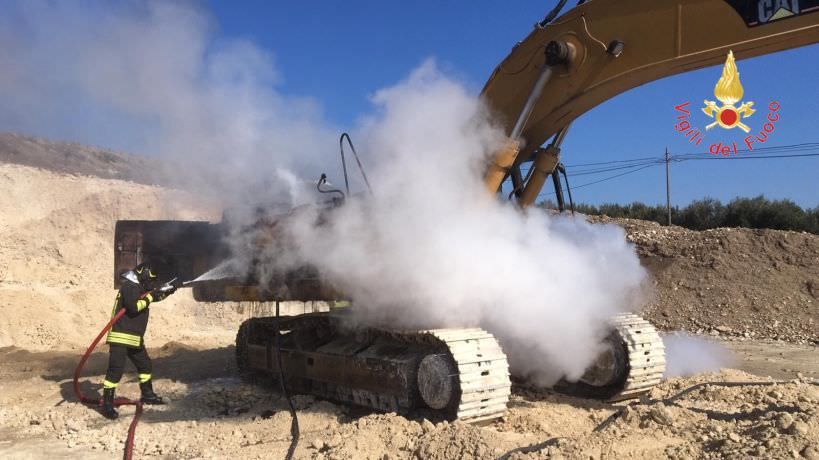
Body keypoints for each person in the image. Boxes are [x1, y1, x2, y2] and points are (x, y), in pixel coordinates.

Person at [101, 262, 178, 420]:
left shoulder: (139, 287)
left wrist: (168, 291)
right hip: (121, 337)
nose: (151, 284)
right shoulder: (130, 286)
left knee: (145, 365)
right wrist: (151, 296)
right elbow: (134, 307)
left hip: (134, 338)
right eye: (150, 280)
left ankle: (147, 395)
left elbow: (151, 297)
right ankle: (107, 404)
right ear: (143, 274)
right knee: (115, 371)